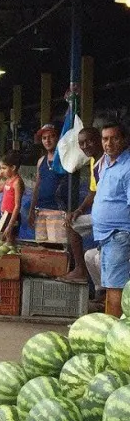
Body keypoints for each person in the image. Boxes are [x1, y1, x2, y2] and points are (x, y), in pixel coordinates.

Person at [90, 122, 130, 317]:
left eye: (114, 138)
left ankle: (112, 333)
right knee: (110, 286)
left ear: (124, 140)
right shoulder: (104, 163)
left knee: (115, 287)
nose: (109, 143)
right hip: (105, 236)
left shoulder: (128, 167)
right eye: (105, 139)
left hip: (119, 235)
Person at [61, 126, 104, 283]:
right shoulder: (94, 162)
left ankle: (80, 270)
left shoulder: (106, 161)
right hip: (100, 213)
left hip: (112, 216)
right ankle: (81, 271)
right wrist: (79, 210)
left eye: (89, 141)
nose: (85, 146)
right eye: (81, 143)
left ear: (99, 140)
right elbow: (93, 192)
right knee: (72, 222)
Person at [27, 124, 67, 243]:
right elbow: (37, 186)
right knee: (42, 247)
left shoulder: (64, 160)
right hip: (40, 210)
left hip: (57, 211)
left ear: (58, 138)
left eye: (51, 136)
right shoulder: (41, 161)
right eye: (44, 138)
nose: (47, 140)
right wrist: (31, 210)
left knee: (58, 247)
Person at [0, 150, 25, 243]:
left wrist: (10, 224)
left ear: (13, 167)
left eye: (4, 168)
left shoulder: (17, 182)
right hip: (4, 214)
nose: (1, 171)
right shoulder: (8, 180)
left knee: (9, 241)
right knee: (2, 240)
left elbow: (17, 205)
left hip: (11, 216)